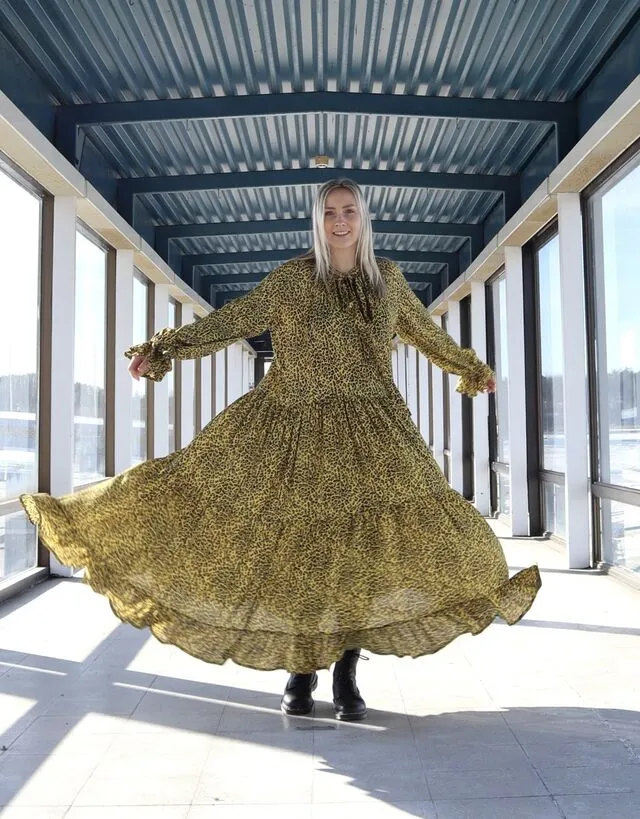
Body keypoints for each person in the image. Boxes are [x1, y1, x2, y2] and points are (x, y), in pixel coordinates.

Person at [20, 179, 541, 722]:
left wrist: (471, 369)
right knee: (293, 548)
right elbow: (232, 322)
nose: (340, 222)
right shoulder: (291, 280)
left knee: (358, 553)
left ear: (363, 219)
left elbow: (423, 333)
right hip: (288, 427)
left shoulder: (386, 279)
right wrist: (163, 349)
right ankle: (301, 670)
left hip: (371, 432)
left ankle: (345, 668)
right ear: (317, 222)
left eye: (349, 212)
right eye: (330, 213)